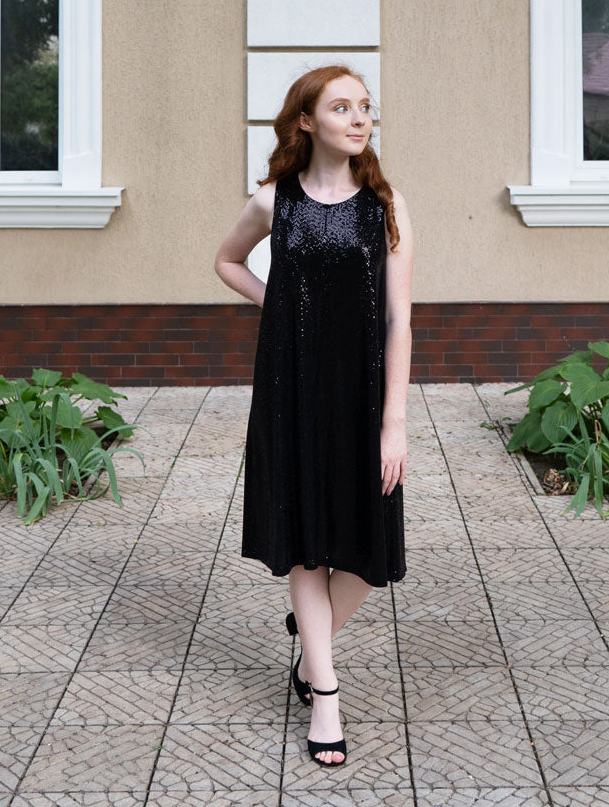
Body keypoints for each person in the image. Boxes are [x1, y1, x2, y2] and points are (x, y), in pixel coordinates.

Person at [214, 65, 413, 767]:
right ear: (306, 121)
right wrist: (281, 306)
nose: (359, 118)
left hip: (361, 394)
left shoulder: (384, 206)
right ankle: (323, 691)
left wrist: (395, 422)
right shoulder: (275, 201)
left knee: (368, 549)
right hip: (291, 385)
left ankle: (310, 634)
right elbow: (226, 262)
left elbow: (398, 321)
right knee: (305, 538)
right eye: (341, 107)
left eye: (365, 106)